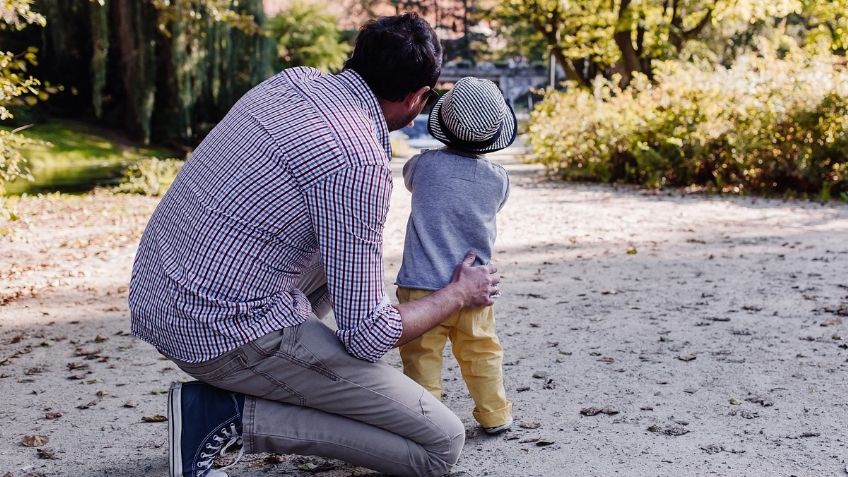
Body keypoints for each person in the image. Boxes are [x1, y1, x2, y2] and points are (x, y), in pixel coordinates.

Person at [127, 13, 500, 477]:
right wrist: (458, 294)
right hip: (217, 333)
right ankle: (225, 416)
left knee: (340, 252)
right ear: (417, 97)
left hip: (161, 296)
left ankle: (292, 372)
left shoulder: (292, 81)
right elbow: (370, 335)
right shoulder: (356, 159)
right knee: (439, 444)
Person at [396, 77, 515, 436]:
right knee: (482, 352)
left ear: (442, 124)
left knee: (421, 358)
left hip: (421, 289)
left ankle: (426, 422)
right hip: (475, 287)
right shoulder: (498, 179)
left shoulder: (423, 166)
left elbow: (407, 180)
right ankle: (494, 413)